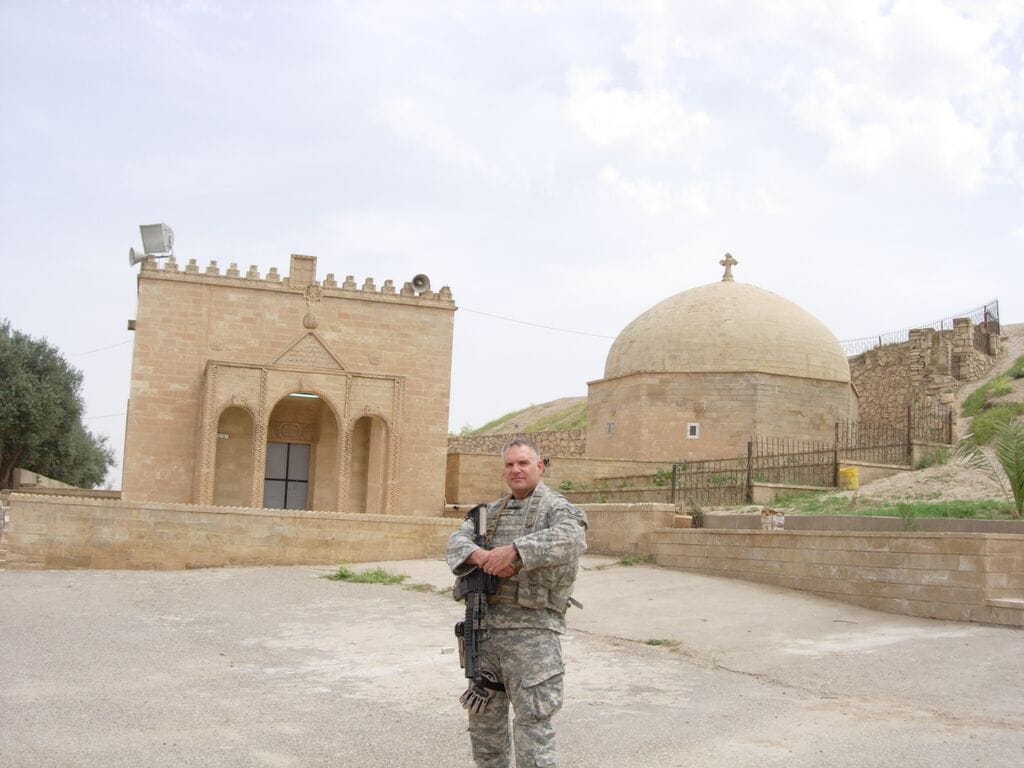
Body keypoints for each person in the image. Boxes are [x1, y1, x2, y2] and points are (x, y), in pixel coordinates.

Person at [446, 438, 588, 768]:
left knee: (534, 728)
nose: (516, 469)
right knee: (484, 731)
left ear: (539, 466)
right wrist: (482, 556)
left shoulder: (558, 510)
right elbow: (455, 542)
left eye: (523, 463)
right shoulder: (488, 516)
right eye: (510, 464)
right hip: (485, 635)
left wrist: (516, 551)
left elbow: (573, 538)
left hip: (534, 637)